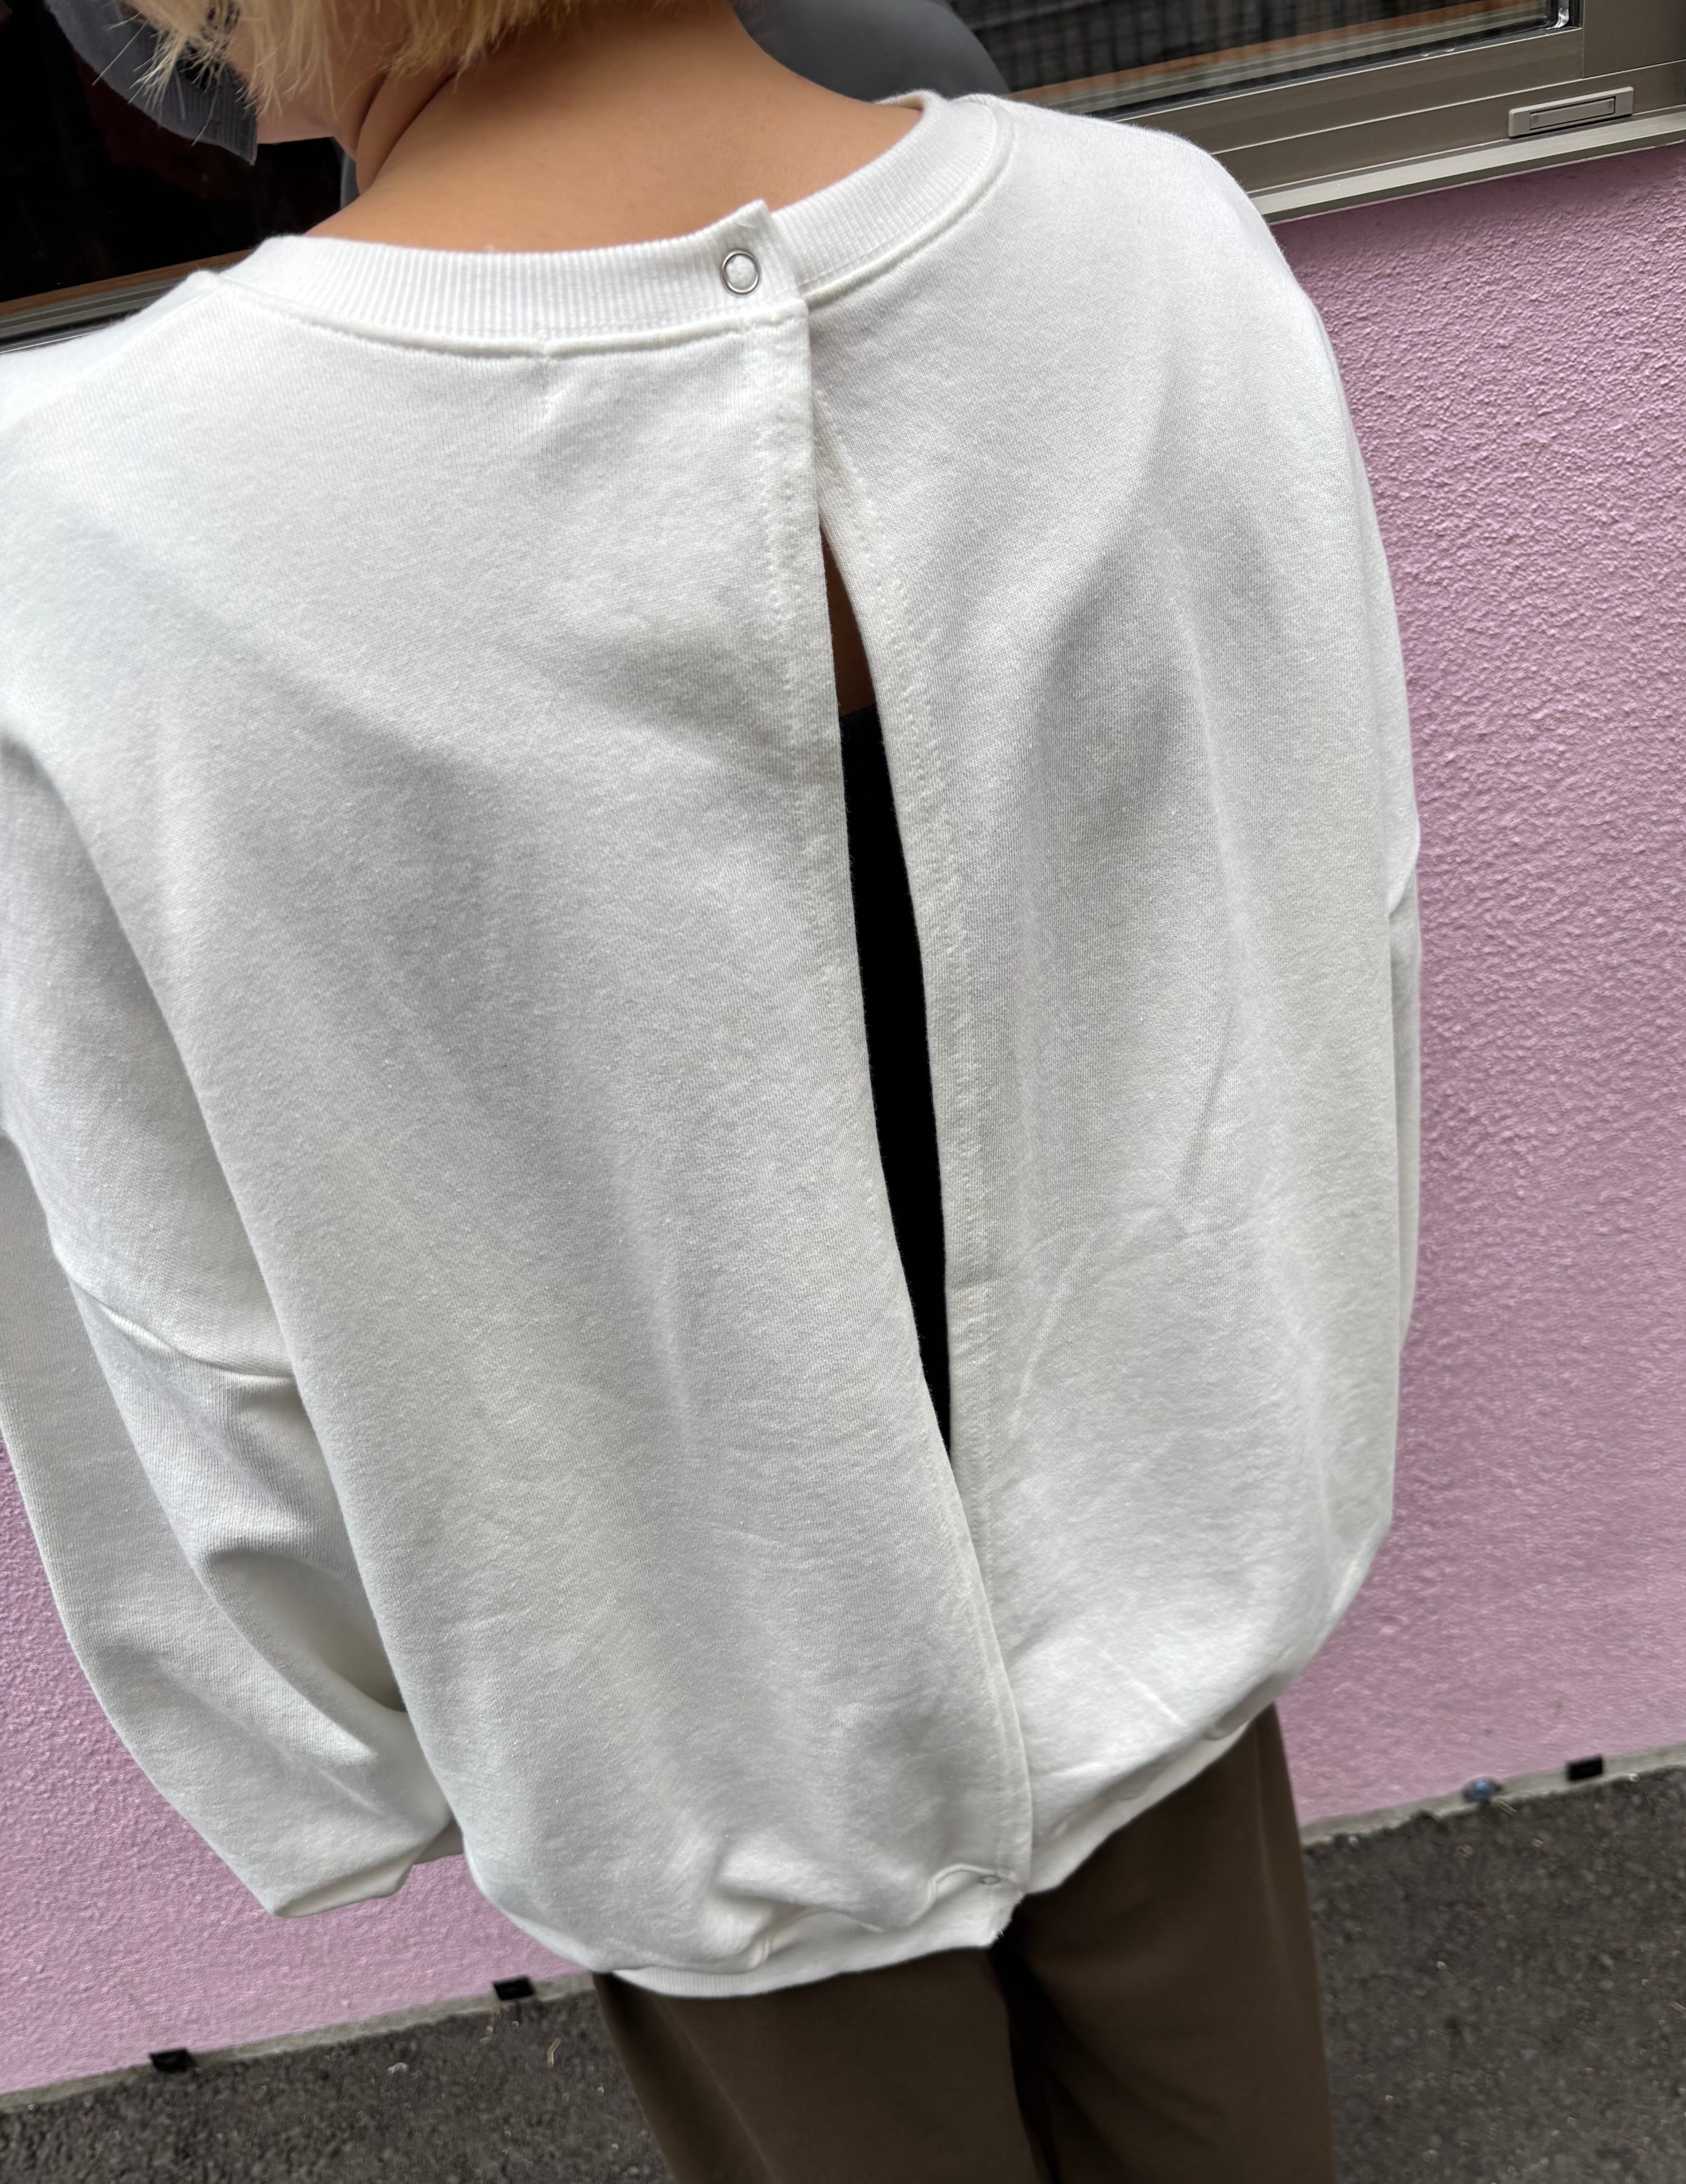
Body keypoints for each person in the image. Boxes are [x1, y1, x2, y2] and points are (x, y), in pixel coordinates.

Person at [0, 0, 1422, 2175]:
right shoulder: (1162, 254)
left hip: (672, 1709)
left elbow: (177, 1313)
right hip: (1167, 1569)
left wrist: (356, 1737)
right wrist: (1276, 1433)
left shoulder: (89, 531)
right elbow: (1331, 921)